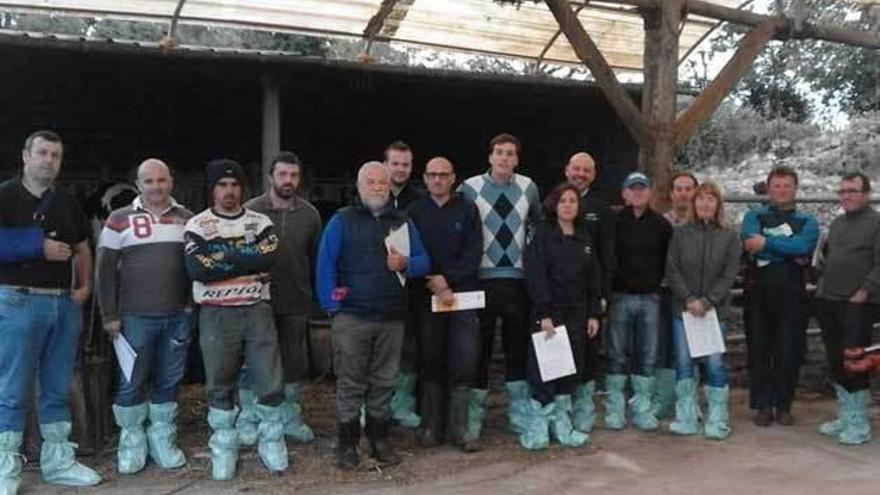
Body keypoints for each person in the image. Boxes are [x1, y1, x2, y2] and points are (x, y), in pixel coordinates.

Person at [0, 130, 101, 494]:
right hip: (17, 299)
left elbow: (82, 247)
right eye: (42, 153)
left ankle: (59, 461)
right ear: (25, 155)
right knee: (13, 388)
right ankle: (5, 467)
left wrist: (86, 286)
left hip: (62, 301)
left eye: (55, 155)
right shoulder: (4, 195)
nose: (48, 160)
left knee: (57, 386)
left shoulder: (67, 200)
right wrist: (36, 246)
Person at [316, 162, 430, 470]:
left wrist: (406, 263)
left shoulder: (402, 222)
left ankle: (379, 440)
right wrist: (332, 306)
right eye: (371, 182)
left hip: (392, 317)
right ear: (359, 186)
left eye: (382, 182)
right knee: (351, 383)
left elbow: (424, 262)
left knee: (384, 381)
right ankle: (347, 443)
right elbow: (325, 264)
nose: (378, 187)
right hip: (352, 317)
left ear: (389, 186)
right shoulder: (343, 220)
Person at [183, 159, 287, 480]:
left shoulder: (260, 221)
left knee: (268, 378)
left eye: (234, 185)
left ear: (242, 188)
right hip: (215, 313)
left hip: (257, 309)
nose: (229, 191)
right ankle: (224, 446)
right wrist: (245, 258)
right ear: (212, 188)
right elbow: (198, 269)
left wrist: (222, 255)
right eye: (222, 185)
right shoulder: (197, 225)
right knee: (219, 381)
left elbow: (269, 256)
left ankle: (271, 440)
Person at [96, 159, 193, 474]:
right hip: (134, 318)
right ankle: (132, 441)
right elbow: (105, 270)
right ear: (138, 185)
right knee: (131, 382)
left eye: (161, 180)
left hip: (177, 315)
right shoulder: (118, 219)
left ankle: (163, 438)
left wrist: (191, 305)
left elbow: (198, 266)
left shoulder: (187, 219)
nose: (156, 186)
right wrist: (109, 313)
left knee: (170, 379)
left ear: (171, 182)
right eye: (148, 181)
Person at [459, 133, 541, 440]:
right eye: (499, 152)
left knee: (516, 348)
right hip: (480, 281)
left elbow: (538, 226)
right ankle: (473, 417)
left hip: (517, 282)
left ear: (517, 159)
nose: (505, 158)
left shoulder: (528, 188)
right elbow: (461, 230)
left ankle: (518, 414)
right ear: (490, 157)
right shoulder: (470, 188)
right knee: (476, 350)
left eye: (510, 153)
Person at [236, 152, 322, 445]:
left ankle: (288, 418)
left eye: (294, 175)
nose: (288, 181)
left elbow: (315, 259)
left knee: (292, 361)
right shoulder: (250, 211)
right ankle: (249, 417)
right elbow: (240, 256)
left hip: (296, 300)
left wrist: (316, 298)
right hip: (257, 301)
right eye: (283, 174)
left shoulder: (310, 214)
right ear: (270, 176)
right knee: (253, 360)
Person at [406, 157, 483, 451]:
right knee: (431, 359)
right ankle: (430, 427)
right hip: (427, 298)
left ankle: (460, 430)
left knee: (464, 360)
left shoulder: (468, 209)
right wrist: (432, 280)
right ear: (424, 179)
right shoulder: (414, 212)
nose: (438, 180)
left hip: (462, 297)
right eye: (432, 175)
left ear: (453, 179)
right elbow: (409, 252)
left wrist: (447, 280)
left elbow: (474, 253)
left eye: (444, 175)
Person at [524, 183, 602, 449]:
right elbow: (536, 275)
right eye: (563, 201)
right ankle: (539, 429)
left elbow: (594, 278)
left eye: (573, 201)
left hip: (578, 314)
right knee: (546, 370)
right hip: (549, 313)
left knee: (569, 370)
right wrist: (544, 312)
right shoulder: (543, 235)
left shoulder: (585, 237)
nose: (568, 205)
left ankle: (563, 426)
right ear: (554, 205)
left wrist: (594, 313)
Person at [741, 166, 818, 427]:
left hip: (792, 294)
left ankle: (784, 404)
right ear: (769, 188)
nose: (781, 190)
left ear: (795, 188)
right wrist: (788, 252)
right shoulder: (754, 216)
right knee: (760, 348)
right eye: (776, 185)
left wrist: (768, 245)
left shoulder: (807, 221)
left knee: (789, 349)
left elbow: (804, 246)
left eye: (786, 186)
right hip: (758, 292)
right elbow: (751, 243)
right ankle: (763, 405)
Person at [664, 181, 740, 440]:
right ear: (694, 203)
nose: (705, 204)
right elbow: (672, 268)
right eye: (701, 199)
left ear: (718, 204)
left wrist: (707, 301)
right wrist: (688, 298)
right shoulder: (680, 234)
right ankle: (686, 415)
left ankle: (717, 416)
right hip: (683, 310)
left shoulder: (730, 236)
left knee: (715, 362)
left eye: (711, 199)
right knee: (684, 361)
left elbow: (730, 273)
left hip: (713, 311)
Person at [605, 171, 672, 432]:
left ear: (650, 192)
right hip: (620, 296)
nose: (637, 192)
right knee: (616, 354)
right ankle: (615, 408)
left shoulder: (661, 225)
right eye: (632, 188)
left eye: (642, 188)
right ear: (624, 193)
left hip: (650, 297)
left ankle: (642, 408)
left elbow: (669, 260)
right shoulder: (613, 222)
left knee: (648, 355)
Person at [815, 172, 878, 445]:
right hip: (830, 299)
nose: (847, 196)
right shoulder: (838, 223)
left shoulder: (877, 223)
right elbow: (830, 259)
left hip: (858, 304)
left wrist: (863, 291)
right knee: (835, 359)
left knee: (854, 361)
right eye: (842, 191)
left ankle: (859, 423)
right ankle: (846, 414)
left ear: (866, 193)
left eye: (852, 190)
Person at [562, 152, 614, 434]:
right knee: (558, 351)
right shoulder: (552, 203)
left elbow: (607, 257)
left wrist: (603, 295)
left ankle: (584, 408)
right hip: (559, 296)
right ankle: (560, 408)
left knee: (589, 351)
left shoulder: (601, 209)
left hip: (589, 296)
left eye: (586, 170)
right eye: (576, 168)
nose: (580, 174)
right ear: (566, 170)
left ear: (593, 175)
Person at [384, 140, 425, 428]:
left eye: (406, 164)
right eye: (395, 163)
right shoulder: (370, 195)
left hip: (413, 287)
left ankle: (402, 403)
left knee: (409, 347)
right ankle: (375, 404)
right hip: (378, 287)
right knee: (377, 349)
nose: (400, 169)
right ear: (385, 165)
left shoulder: (420, 201)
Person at [653, 171, 700, 420]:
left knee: (693, 347)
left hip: (693, 295)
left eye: (688, 188)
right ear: (671, 193)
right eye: (679, 189)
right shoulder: (661, 223)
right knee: (664, 345)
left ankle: (690, 401)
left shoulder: (701, 224)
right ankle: (664, 399)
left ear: (696, 192)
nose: (683, 193)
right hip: (664, 290)